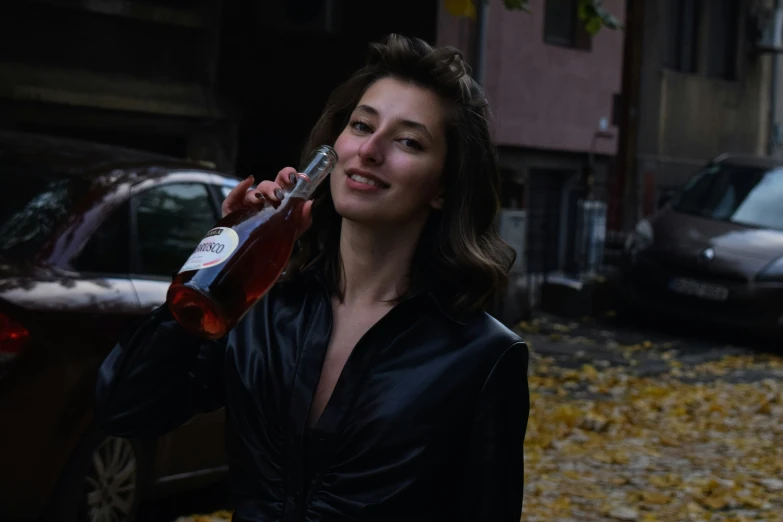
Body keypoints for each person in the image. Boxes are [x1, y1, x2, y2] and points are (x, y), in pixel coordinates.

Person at [95, 33, 530, 522]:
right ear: (335, 145)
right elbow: (125, 407)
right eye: (362, 124)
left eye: (409, 141)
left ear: (444, 188)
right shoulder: (264, 309)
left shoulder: (482, 357)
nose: (369, 149)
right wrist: (215, 266)